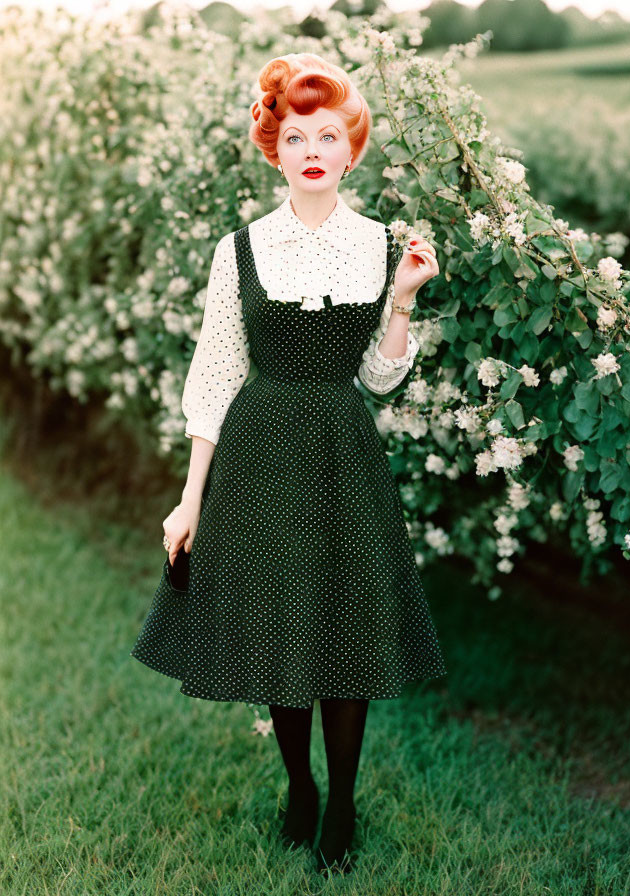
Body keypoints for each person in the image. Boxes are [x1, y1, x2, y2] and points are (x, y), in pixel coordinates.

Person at [130, 52, 447, 877]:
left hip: (343, 452)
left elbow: (377, 377)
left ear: (351, 149)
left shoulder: (380, 245)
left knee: (341, 629)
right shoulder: (239, 251)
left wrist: (404, 297)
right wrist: (190, 497)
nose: (312, 148)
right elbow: (215, 374)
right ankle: (299, 787)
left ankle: (341, 805)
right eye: (295, 134)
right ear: (275, 148)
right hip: (259, 456)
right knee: (282, 630)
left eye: (329, 135)